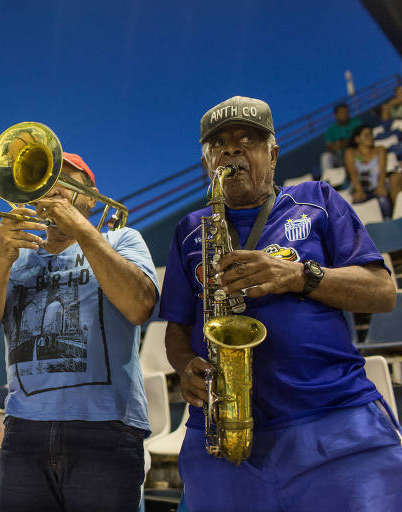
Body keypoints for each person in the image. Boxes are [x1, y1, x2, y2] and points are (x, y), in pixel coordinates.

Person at [160, 95, 402, 511]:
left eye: (246, 140)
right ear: (207, 164)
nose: (231, 150)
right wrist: (184, 365)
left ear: (272, 155)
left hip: (333, 421)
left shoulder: (318, 200)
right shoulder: (189, 231)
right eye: (219, 145)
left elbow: (381, 292)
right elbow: (177, 329)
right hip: (222, 432)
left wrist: (298, 275)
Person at [0, 149, 159, 512]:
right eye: (44, 183)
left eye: (66, 182)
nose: (53, 191)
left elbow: (139, 307)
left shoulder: (122, 240)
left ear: (90, 196)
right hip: (24, 430)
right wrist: (3, 257)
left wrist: (83, 231)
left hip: (106, 428)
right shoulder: (10, 258)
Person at [344, 123, 398, 218]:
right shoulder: (350, 153)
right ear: (357, 139)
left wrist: (380, 186)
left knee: (383, 201)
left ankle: (388, 221)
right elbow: (352, 174)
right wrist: (359, 190)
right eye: (366, 135)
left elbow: (382, 171)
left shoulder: (380, 150)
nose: (370, 137)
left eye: (371, 134)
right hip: (359, 188)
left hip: (377, 186)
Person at [320, 103, 361, 174]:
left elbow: (362, 138)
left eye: (346, 112)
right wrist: (338, 145)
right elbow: (329, 147)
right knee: (326, 156)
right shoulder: (331, 130)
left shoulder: (356, 122)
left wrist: (346, 143)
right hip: (340, 157)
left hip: (356, 154)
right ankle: (328, 179)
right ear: (336, 115)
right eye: (341, 112)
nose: (344, 114)